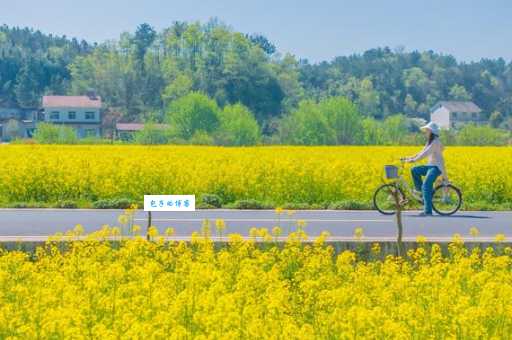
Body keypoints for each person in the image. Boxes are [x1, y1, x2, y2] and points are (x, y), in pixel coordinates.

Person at [403, 122, 449, 216]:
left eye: (427, 131)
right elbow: (421, 152)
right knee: (414, 170)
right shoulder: (429, 141)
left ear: (431, 132)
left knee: (426, 185)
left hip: (436, 167)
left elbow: (425, 154)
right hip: (430, 166)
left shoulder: (435, 142)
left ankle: (428, 211)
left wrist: (414, 160)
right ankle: (423, 194)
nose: (425, 133)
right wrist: (409, 158)